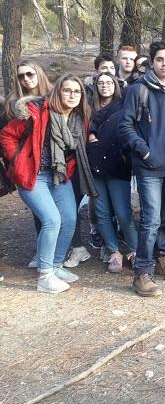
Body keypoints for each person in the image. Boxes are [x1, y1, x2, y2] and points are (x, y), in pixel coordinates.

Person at [0, 74, 95, 293]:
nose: (71, 95)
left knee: (69, 219)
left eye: (76, 91)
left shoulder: (78, 119)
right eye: (67, 90)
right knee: (52, 220)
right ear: (57, 92)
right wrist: (18, 160)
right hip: (33, 175)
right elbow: (6, 135)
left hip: (58, 176)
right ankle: (45, 276)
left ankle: (56, 264)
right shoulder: (36, 112)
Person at [119, 41, 165, 297]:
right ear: (152, 63)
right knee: (151, 221)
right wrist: (144, 151)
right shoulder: (139, 90)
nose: (164, 63)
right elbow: (125, 126)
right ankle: (142, 273)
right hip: (148, 168)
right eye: (160, 59)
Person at [86, 72, 138, 273]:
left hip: (117, 165)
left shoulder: (122, 106)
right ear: (96, 86)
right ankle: (113, 250)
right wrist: (91, 136)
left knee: (123, 212)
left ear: (115, 85)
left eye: (109, 82)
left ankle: (134, 250)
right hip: (96, 165)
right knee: (101, 211)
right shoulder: (90, 109)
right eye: (101, 83)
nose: (105, 86)